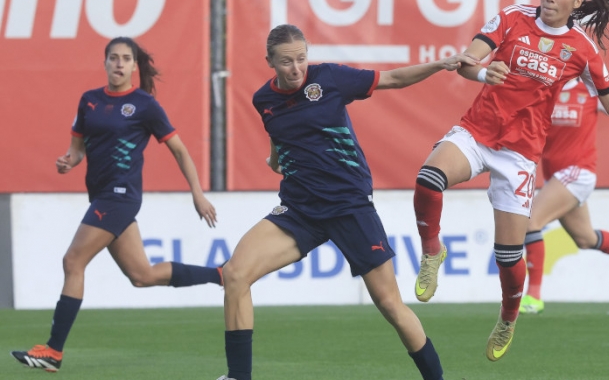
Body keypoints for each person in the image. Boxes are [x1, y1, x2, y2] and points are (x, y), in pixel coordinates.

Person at [411, 0, 609, 362]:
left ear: (575, 2)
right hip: (478, 132)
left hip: (519, 156)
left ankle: (507, 317)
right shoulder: (511, 17)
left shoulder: (582, 49)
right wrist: (485, 72)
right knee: (429, 177)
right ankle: (432, 251)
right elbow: (466, 61)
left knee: (508, 255)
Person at [214, 24, 476, 380]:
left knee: (390, 304)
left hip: (349, 206)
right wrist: (276, 159)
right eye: (287, 62)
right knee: (235, 274)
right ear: (270, 62)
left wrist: (440, 64)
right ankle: (238, 376)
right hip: (299, 209)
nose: (296, 68)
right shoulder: (264, 100)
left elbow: (393, 79)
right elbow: (279, 136)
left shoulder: (330, 79)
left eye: (301, 59)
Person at [11, 37, 222, 373]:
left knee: (73, 261)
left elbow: (180, 150)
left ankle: (53, 351)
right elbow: (77, 149)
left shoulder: (144, 105)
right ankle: (221, 274)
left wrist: (197, 192)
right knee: (142, 275)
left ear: (135, 66)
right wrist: (69, 161)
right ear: (105, 62)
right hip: (102, 196)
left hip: (120, 195)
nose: (120, 64)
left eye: (126, 58)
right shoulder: (90, 101)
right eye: (114, 58)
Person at [519, 77, 609, 316]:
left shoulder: (590, 90)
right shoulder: (545, 89)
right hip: (556, 177)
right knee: (586, 239)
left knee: (531, 222)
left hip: (579, 172)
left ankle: (534, 296)